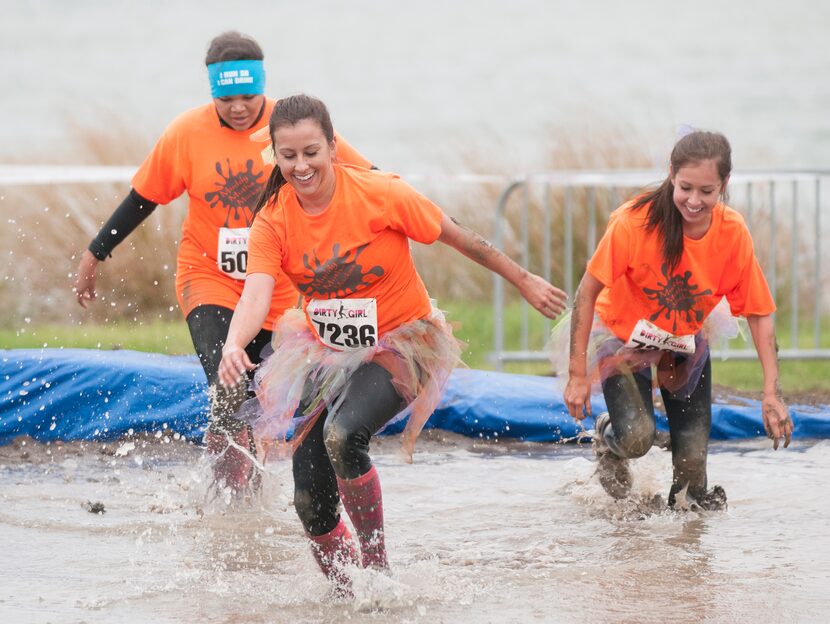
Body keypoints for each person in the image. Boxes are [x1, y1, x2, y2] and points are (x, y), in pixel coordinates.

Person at [216, 94, 568, 592]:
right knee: (309, 501)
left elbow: (461, 237)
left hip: (403, 341)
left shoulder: (381, 194)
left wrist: (524, 279)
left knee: (343, 435)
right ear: (275, 155)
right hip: (326, 350)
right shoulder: (272, 218)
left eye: (311, 152)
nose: (301, 166)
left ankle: (377, 575)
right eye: (288, 155)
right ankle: (347, 591)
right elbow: (256, 291)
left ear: (333, 148)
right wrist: (234, 342)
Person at [72, 32, 373, 496]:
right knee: (227, 383)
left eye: (248, 96)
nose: (238, 108)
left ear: (263, 87)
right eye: (226, 98)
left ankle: (257, 478)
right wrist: (95, 253)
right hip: (208, 275)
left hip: (278, 285)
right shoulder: (186, 133)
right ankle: (230, 499)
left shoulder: (289, 127)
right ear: (211, 91)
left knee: (265, 393)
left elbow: (365, 179)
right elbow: (144, 198)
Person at [559, 130, 792, 509]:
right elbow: (586, 292)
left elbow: (759, 313)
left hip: (683, 345)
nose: (694, 201)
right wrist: (576, 375)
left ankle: (683, 560)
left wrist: (771, 393)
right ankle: (608, 437)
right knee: (637, 437)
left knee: (692, 473)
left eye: (707, 191)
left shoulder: (732, 233)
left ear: (724, 185)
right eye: (685, 188)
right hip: (621, 340)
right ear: (671, 174)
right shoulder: (633, 222)